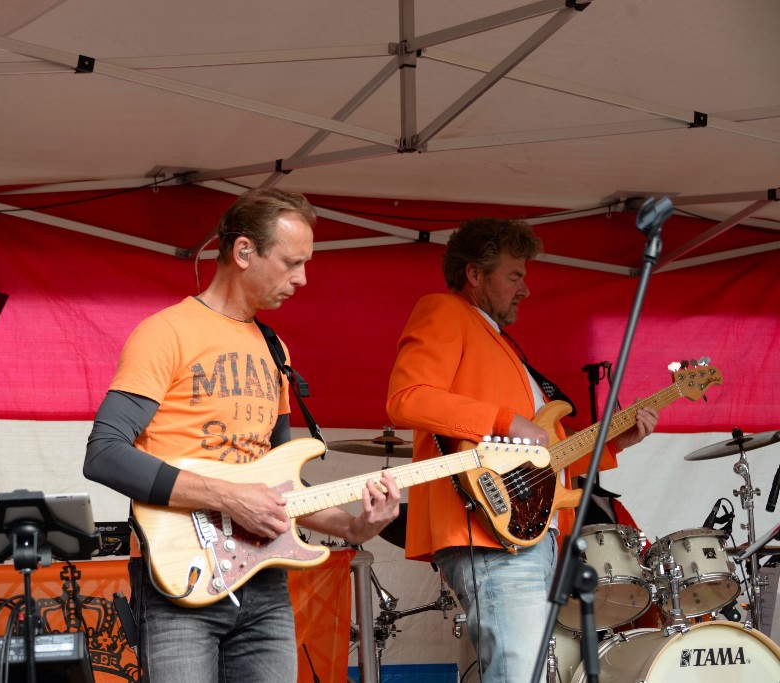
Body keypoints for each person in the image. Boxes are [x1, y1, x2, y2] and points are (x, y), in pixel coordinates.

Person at [84, 188, 400, 683]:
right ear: (244, 252)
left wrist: (354, 527)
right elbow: (104, 454)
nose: (302, 279)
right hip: (179, 583)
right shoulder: (164, 333)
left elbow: (280, 486)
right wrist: (229, 497)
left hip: (263, 581)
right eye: (292, 262)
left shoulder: (276, 350)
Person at [385, 217, 658, 683]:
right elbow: (405, 399)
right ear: (475, 274)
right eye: (514, 275)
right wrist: (505, 419)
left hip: (529, 533)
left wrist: (611, 442)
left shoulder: (502, 344)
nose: (526, 289)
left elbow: (541, 461)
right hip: (489, 532)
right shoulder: (445, 311)